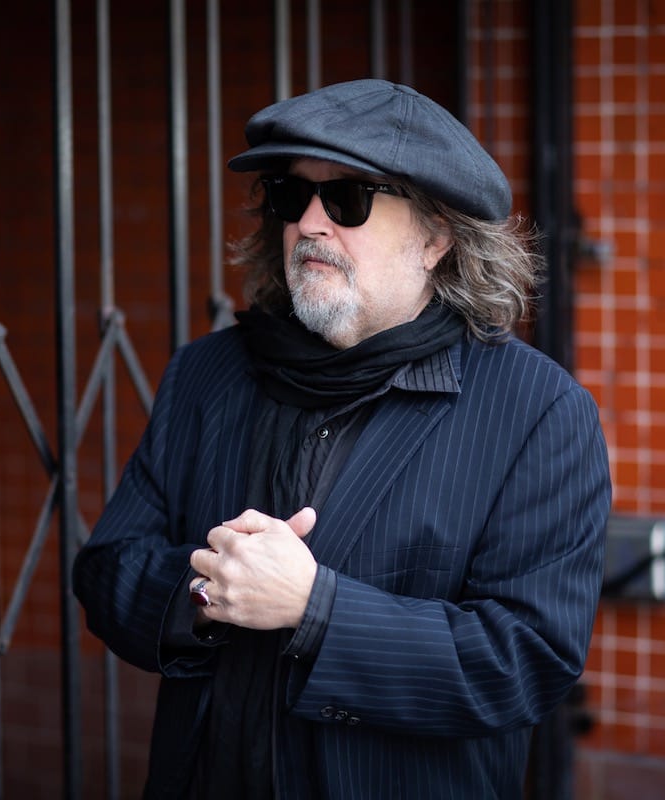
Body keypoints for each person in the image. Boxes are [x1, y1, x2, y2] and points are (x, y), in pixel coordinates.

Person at [73, 79, 611, 799]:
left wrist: (314, 607)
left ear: (435, 237)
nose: (312, 224)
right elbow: (107, 572)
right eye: (291, 197)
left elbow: (524, 660)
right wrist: (205, 589)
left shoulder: (536, 411)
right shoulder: (207, 374)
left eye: (350, 198)